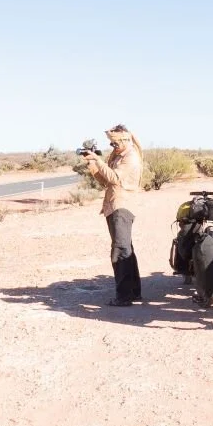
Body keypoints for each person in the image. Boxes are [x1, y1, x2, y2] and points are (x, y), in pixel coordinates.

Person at [81, 124, 144, 305]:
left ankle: (124, 297)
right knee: (126, 249)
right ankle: (133, 292)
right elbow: (106, 181)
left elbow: (116, 179)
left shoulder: (130, 157)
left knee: (120, 249)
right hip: (115, 205)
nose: (112, 146)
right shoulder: (119, 156)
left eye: (114, 143)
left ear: (124, 140)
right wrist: (92, 163)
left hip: (122, 206)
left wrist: (99, 161)